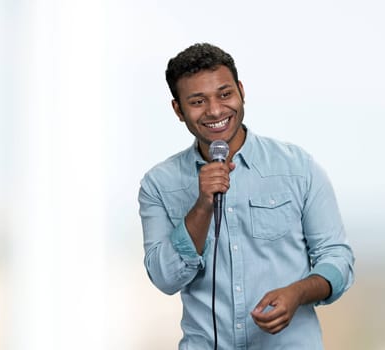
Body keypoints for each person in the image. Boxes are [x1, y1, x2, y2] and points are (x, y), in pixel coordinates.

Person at [138, 43, 355, 349]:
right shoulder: (158, 184)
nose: (215, 110)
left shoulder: (297, 167)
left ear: (241, 91)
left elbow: (338, 259)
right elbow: (164, 278)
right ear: (178, 109)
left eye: (225, 94)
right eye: (198, 101)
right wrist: (202, 206)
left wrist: (298, 293)